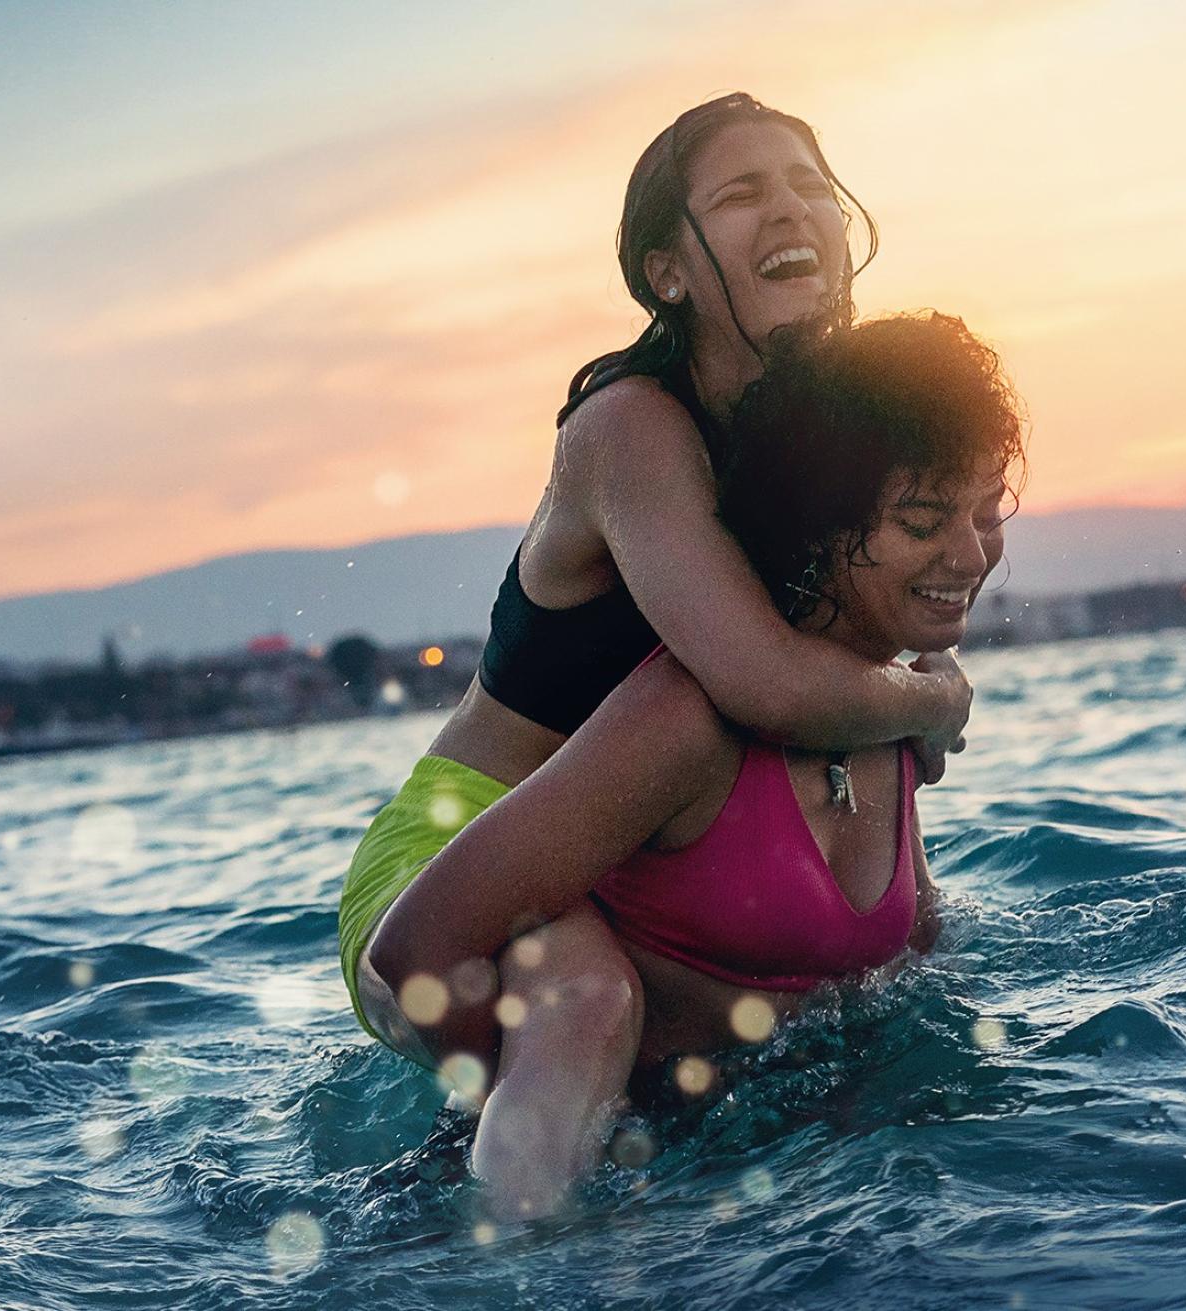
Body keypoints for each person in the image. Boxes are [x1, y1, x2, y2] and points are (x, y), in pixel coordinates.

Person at [337, 96, 973, 1086]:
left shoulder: (826, 435)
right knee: (591, 1008)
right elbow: (773, 686)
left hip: (631, 860)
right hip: (459, 853)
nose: (792, 211)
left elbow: (842, 660)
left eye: (813, 187)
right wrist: (936, 699)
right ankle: (470, 1216)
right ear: (665, 273)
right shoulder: (629, 430)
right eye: (741, 194)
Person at [374, 312, 1025, 1217]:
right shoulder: (683, 720)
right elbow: (416, 949)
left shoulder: (890, 709)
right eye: (924, 520)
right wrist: (539, 1104)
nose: (971, 553)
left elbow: (913, 968)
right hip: (606, 1209)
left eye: (987, 511)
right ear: (819, 524)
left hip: (775, 1190)